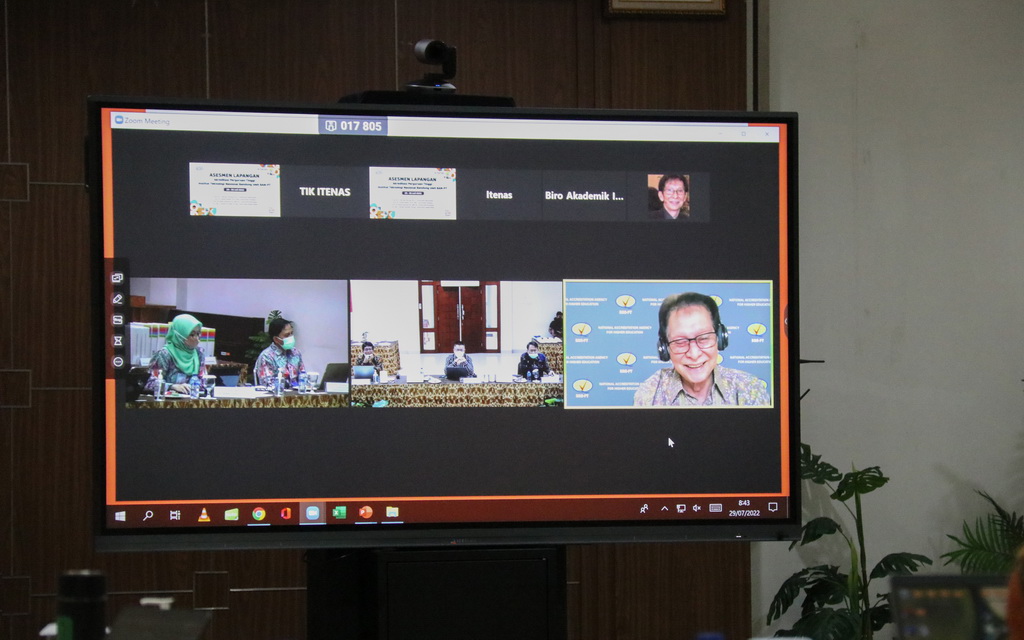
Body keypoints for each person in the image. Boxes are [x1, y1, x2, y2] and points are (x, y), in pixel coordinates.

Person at [633, 292, 770, 406]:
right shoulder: (649, 394)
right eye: (680, 342)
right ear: (664, 347)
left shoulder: (749, 389)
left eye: (704, 338)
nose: (694, 354)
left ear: (720, 338)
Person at [145, 313, 208, 395]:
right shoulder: (164, 355)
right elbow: (149, 383)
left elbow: (204, 382)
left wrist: (196, 387)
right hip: (168, 401)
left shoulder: (199, 354)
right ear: (180, 335)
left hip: (192, 399)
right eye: (192, 334)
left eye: (198, 334)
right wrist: (171, 386)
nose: (197, 339)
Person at [254, 317, 306, 388]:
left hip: (296, 393)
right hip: (277, 393)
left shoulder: (295, 353)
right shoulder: (266, 356)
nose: (291, 337)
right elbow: (267, 384)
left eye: (291, 333)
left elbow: (303, 376)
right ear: (276, 339)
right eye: (287, 335)